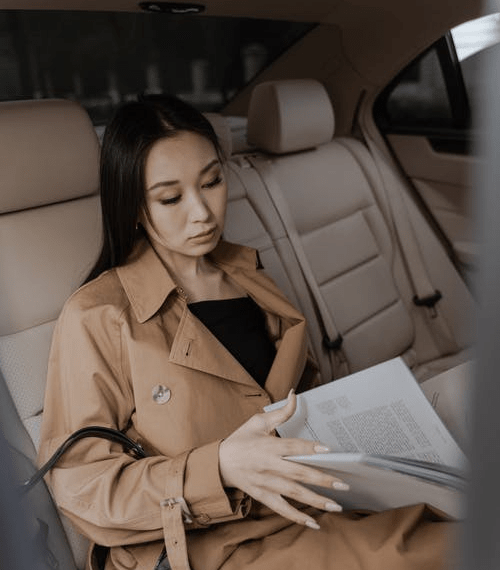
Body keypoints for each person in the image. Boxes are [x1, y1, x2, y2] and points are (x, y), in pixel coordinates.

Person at [39, 95, 453, 570]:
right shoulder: (97, 315)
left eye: (212, 181)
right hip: (209, 545)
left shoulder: (249, 275)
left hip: (307, 501)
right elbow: (82, 487)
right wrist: (218, 467)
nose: (202, 212)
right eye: (170, 198)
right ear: (133, 206)